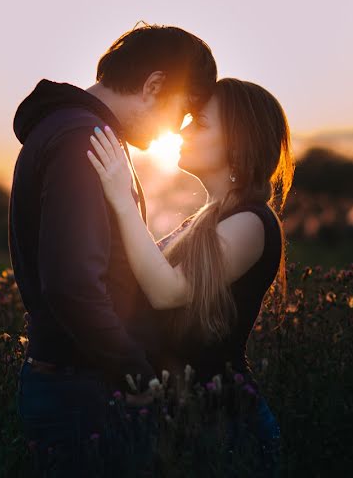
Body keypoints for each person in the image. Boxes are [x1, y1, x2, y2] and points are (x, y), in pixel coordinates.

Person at [8, 22, 217, 475]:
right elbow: (72, 284)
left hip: (78, 381)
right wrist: (134, 374)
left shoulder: (76, 130)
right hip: (83, 389)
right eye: (180, 113)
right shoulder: (84, 137)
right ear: (154, 86)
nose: (174, 131)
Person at [86, 77, 294, 477]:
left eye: (198, 122)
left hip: (229, 428)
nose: (180, 130)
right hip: (189, 424)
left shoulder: (252, 222)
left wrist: (121, 195)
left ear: (238, 140)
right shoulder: (202, 223)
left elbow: (167, 291)